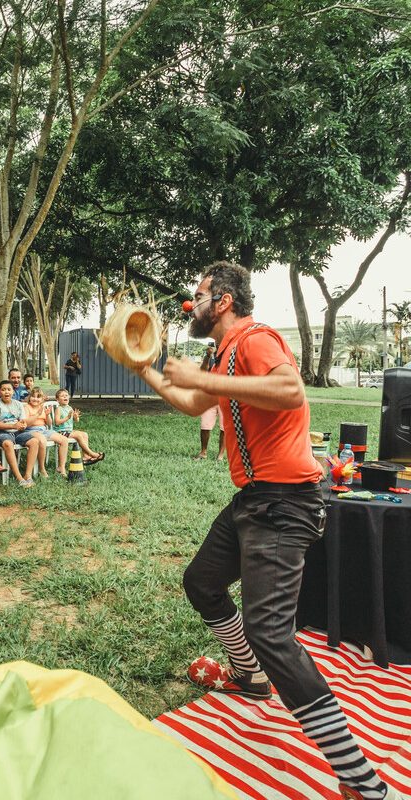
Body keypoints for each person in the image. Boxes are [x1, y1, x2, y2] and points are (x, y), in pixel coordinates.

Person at [135, 261, 399, 800]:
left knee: (271, 632)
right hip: (255, 501)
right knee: (202, 582)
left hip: (286, 504)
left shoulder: (256, 338)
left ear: (224, 300)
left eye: (199, 294)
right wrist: (144, 367)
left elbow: (289, 389)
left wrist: (204, 377)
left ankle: (361, 782)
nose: (193, 302)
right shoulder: (224, 354)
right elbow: (193, 402)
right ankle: (250, 676)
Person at [0, 379, 41, 487]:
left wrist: (23, 425)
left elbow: (22, 421)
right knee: (8, 443)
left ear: (13, 391)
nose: (6, 392)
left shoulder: (18, 404)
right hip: (0, 432)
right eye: (3, 390)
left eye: (9, 389)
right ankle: (19, 478)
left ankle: (28, 475)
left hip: (17, 432)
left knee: (34, 442)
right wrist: (13, 425)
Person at [24, 387, 69, 478]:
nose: (35, 399)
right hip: (31, 430)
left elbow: (49, 423)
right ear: (29, 397)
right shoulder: (26, 407)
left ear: (42, 399)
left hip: (44, 430)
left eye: (38, 397)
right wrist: (37, 414)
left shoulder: (42, 407)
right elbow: (26, 423)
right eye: (33, 396)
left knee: (64, 440)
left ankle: (61, 467)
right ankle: (42, 468)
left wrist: (47, 415)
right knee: (42, 440)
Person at [196, 344, 226, 461]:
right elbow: (202, 370)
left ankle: (220, 455)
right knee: (205, 425)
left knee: (224, 428)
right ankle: (203, 452)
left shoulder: (231, 359)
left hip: (225, 398)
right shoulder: (212, 360)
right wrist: (207, 356)